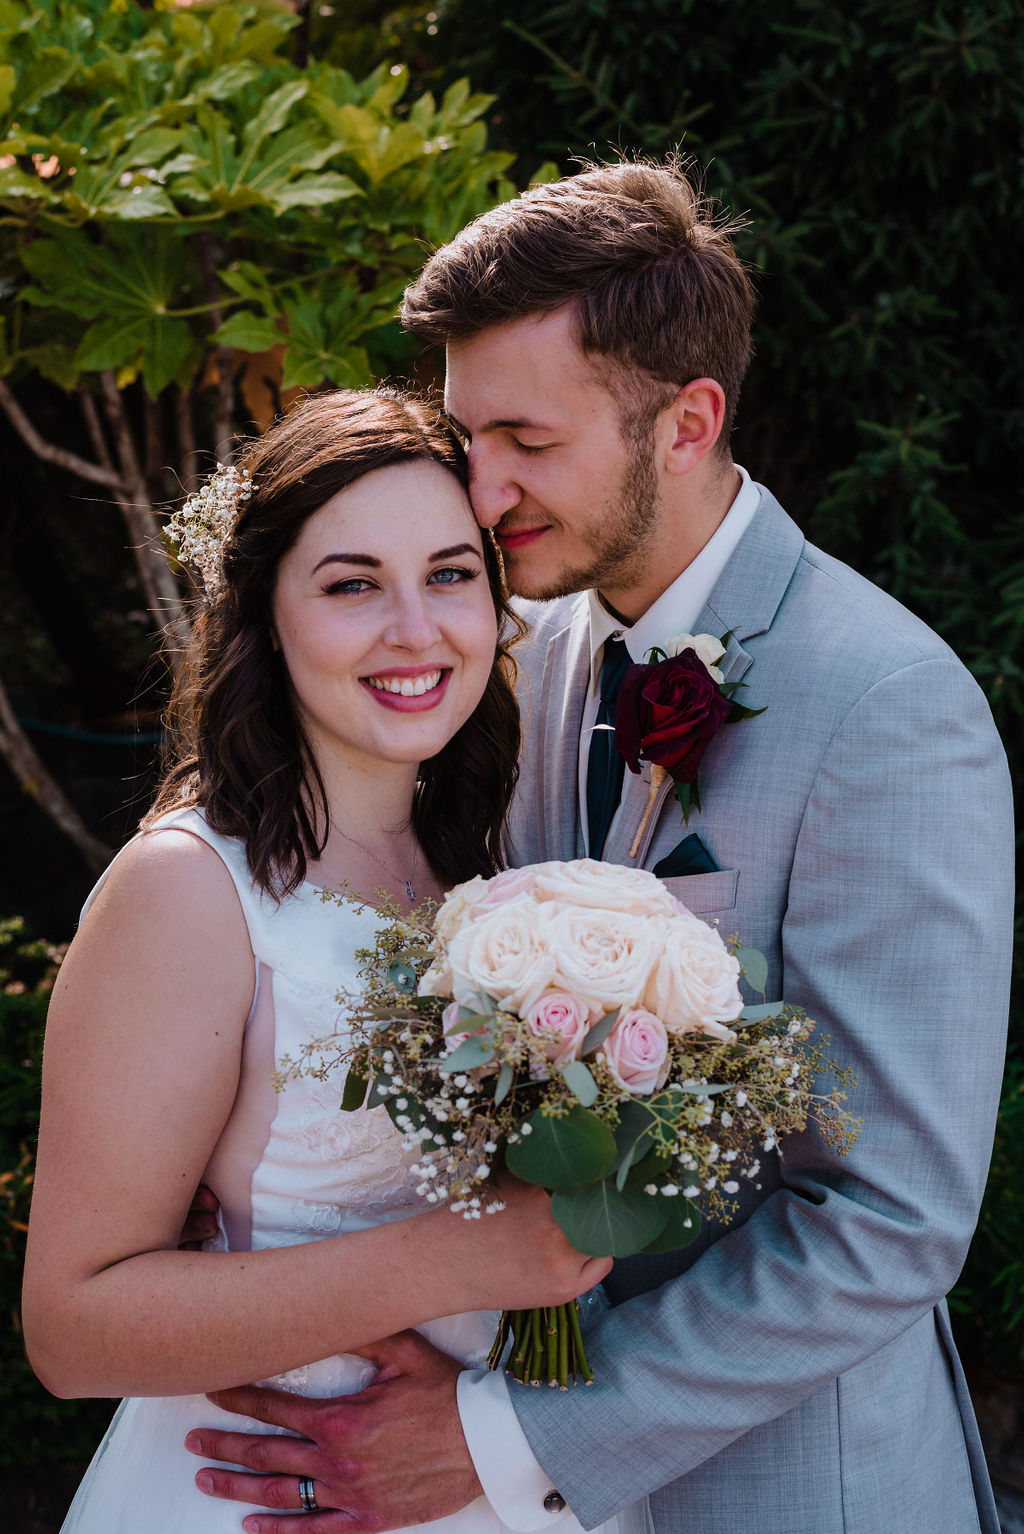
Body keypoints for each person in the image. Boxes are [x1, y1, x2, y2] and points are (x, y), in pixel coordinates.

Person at [185, 159, 1015, 1534]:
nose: (480, 487)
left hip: (791, 1490)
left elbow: (889, 1216)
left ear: (685, 422)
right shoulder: (525, 649)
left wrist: (507, 1434)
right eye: (467, 434)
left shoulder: (885, 706)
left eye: (526, 437)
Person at [21, 388, 625, 1534]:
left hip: (484, 1476)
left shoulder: (495, 858)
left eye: (451, 574)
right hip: (263, 1493)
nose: (415, 627)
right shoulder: (191, 890)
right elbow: (70, 1328)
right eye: (353, 584)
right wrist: (461, 1258)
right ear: (266, 613)